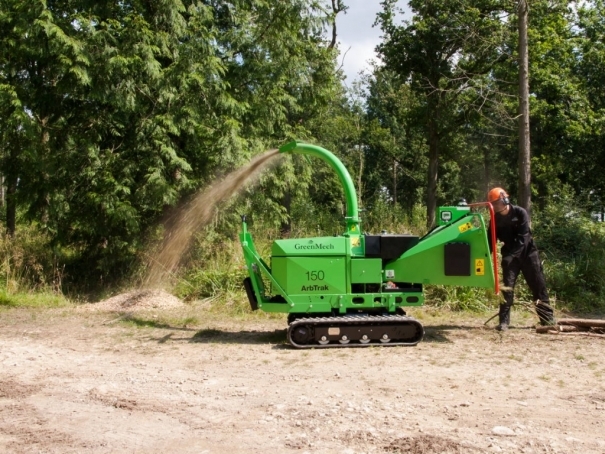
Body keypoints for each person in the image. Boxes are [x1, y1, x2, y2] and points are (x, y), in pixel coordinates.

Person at [487, 187, 555, 331]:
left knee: (538, 286)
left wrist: (512, 255)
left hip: (528, 254)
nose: (496, 206)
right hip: (510, 257)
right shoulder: (494, 219)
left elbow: (524, 237)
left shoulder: (520, 212)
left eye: (497, 202)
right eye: (494, 204)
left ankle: (547, 320)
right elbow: (490, 240)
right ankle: (504, 322)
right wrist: (485, 255)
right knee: (507, 288)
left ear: (505, 199)